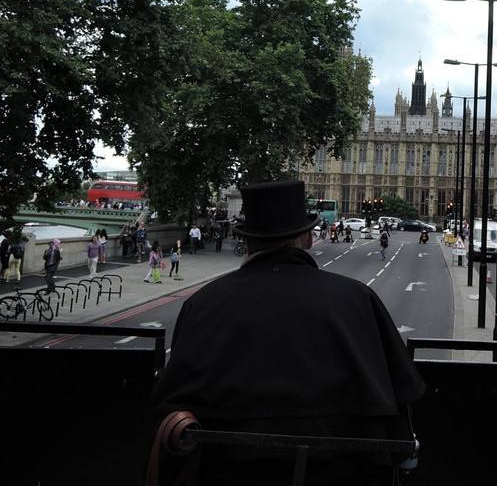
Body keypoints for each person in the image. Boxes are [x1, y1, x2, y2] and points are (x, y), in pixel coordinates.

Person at [151, 180, 424, 486]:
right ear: (308, 239)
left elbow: (169, 408)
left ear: (249, 242)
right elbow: (400, 421)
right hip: (341, 474)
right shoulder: (359, 300)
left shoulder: (203, 304)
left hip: (226, 473)